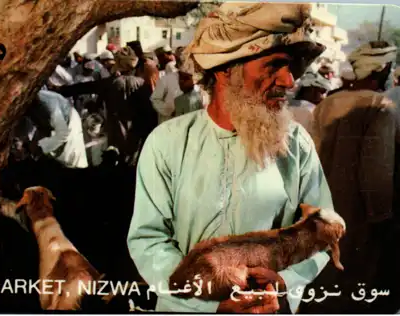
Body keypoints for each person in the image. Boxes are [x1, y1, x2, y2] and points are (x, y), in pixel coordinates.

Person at [127, 3, 336, 313]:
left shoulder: (297, 143)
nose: (288, 81)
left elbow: (322, 231)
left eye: (291, 67)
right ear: (226, 69)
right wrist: (210, 302)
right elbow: (148, 240)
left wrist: (283, 282)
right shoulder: (167, 142)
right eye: (275, 65)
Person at [305, 41, 400, 313]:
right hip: (357, 218)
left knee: (322, 282)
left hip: (320, 212)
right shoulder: (380, 106)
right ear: (381, 70)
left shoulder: (327, 104)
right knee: (353, 287)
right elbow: (377, 172)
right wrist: (381, 218)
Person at [28, 90, 88, 169]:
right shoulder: (37, 100)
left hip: (69, 122)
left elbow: (63, 134)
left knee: (73, 158)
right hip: (59, 124)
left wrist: (41, 147)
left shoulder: (53, 107)